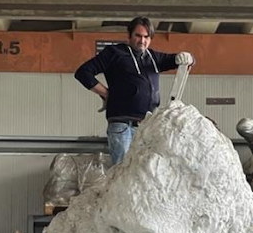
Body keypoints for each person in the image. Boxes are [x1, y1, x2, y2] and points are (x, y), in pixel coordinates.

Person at [74, 16, 195, 165]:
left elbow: (178, 60)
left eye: (146, 37)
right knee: (122, 171)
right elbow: (83, 72)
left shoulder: (153, 57)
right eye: (138, 35)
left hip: (147, 127)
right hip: (123, 126)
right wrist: (106, 93)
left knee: (144, 173)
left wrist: (189, 58)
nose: (142, 40)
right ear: (129, 36)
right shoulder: (114, 53)